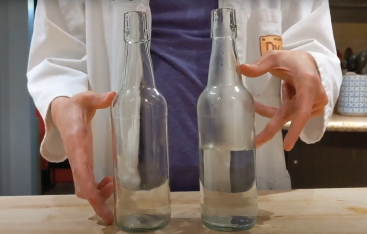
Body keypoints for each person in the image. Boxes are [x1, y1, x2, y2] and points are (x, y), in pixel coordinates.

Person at [27, 0, 342, 225]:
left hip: (245, 204)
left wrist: (312, 70)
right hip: (130, 205)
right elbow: (56, 57)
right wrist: (62, 100)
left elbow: (315, 45)